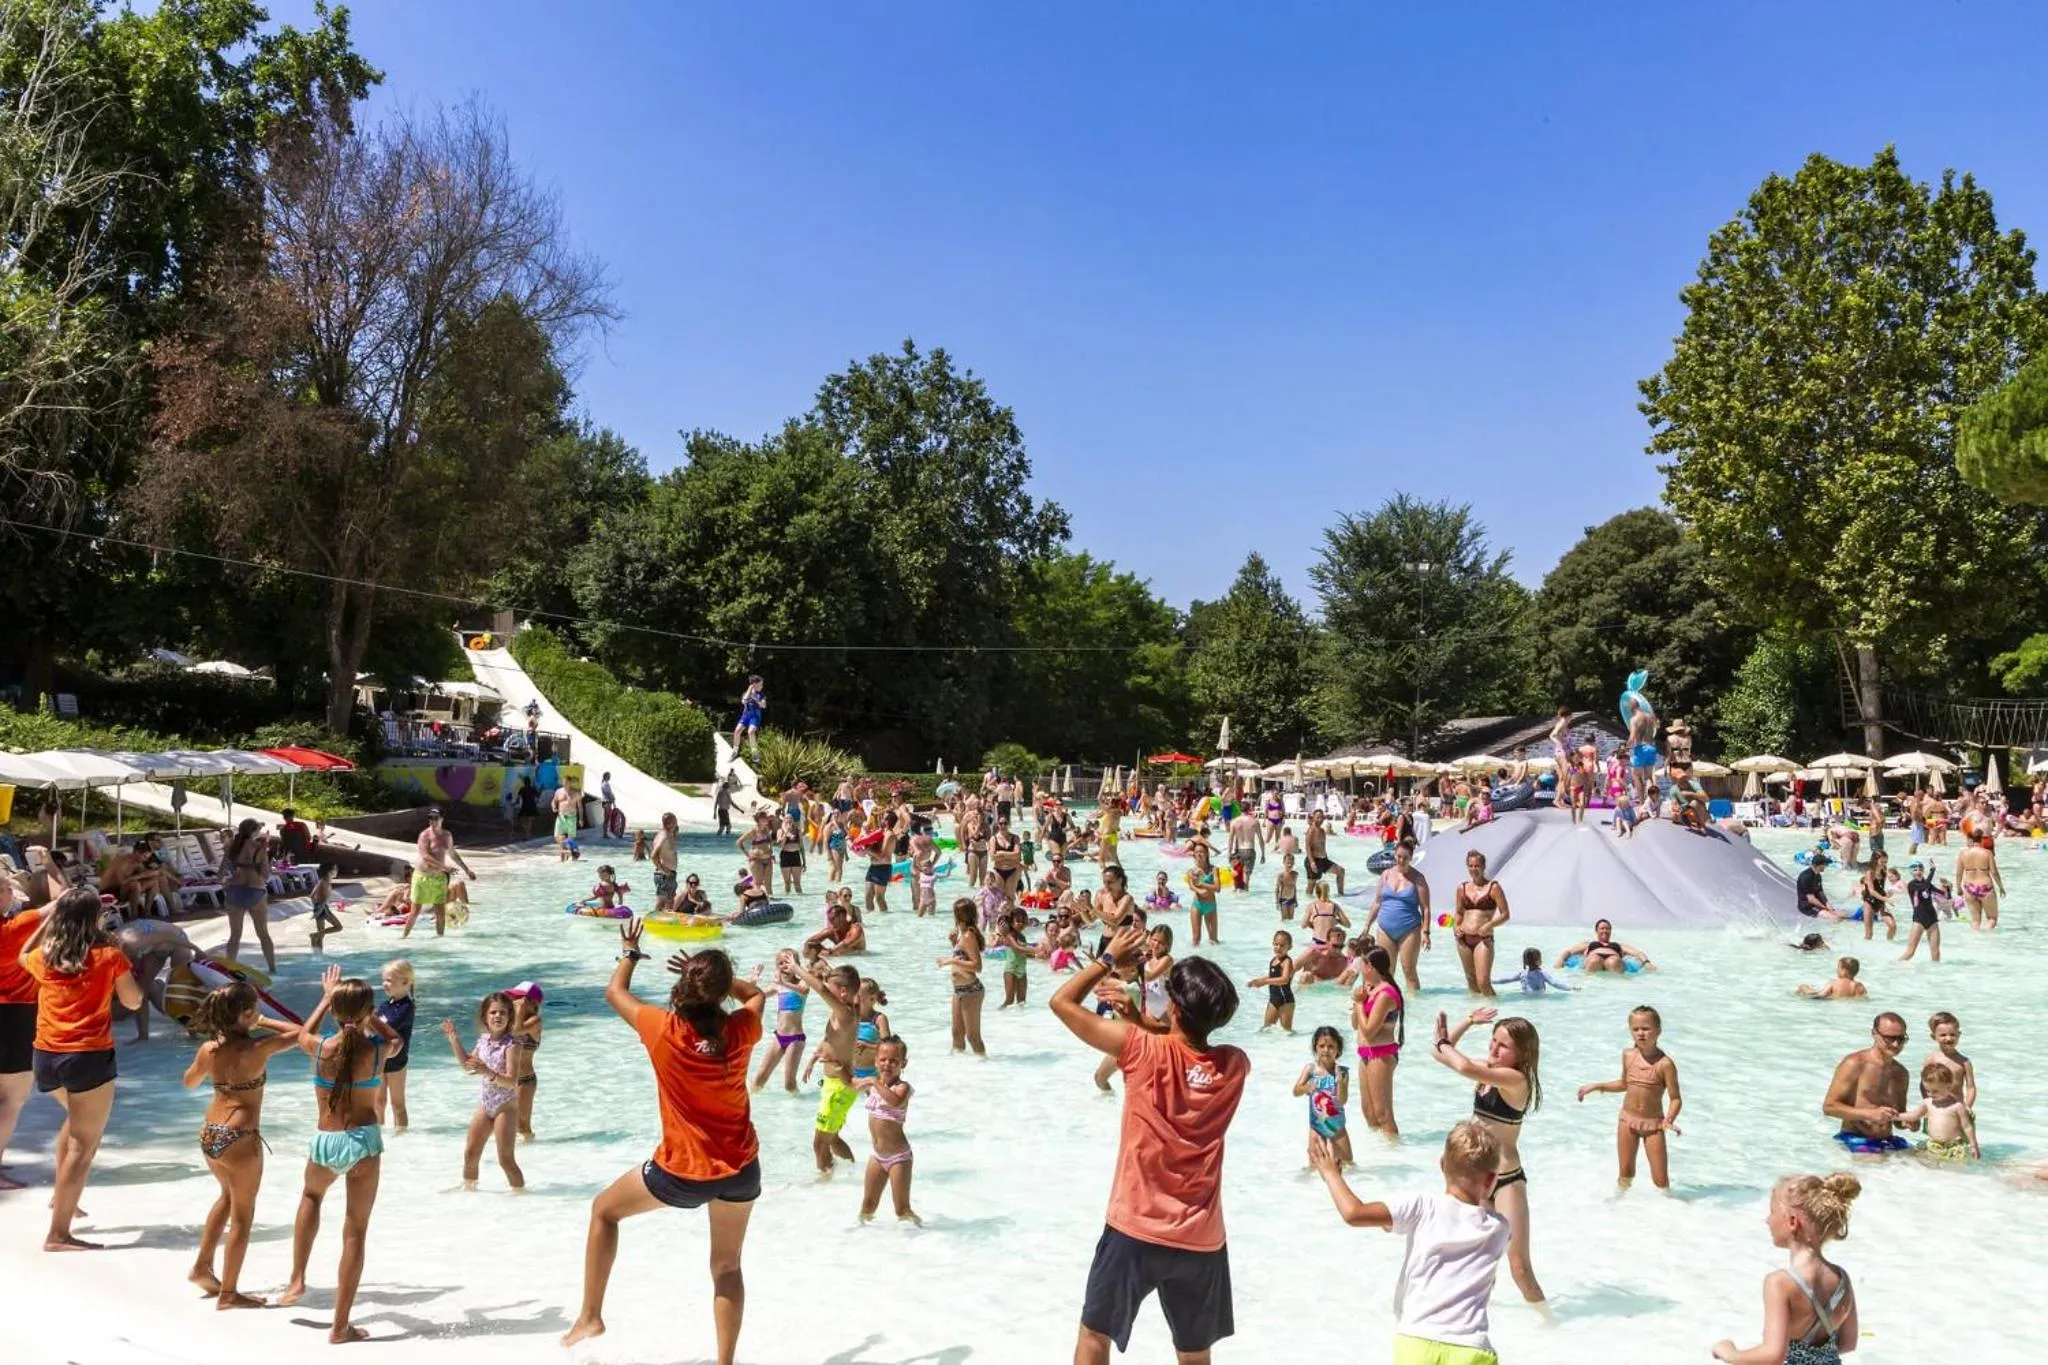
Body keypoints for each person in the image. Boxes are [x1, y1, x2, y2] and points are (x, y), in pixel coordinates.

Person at [561, 923, 765, 1361]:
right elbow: (756, 997)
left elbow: (614, 991)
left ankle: (590, 1316)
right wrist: (726, 985)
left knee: (604, 1211)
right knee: (727, 1268)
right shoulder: (742, 1029)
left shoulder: (661, 1027)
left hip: (684, 1171)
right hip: (742, 1170)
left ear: (683, 988)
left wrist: (630, 955)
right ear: (721, 992)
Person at [1050, 923, 1247, 1365]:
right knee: (1195, 1355)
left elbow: (1061, 1003)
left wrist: (1105, 959)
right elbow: (1184, 1051)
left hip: (1136, 1227)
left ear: (1173, 1008)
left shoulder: (1140, 1050)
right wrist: (1140, 1021)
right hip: (1201, 1237)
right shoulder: (1235, 1066)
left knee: (1094, 1338)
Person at [1307, 1122, 1510, 1365]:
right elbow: (1485, 1206)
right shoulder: (1499, 1228)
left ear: (1442, 1165)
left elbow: (1354, 1213)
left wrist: (1330, 1173)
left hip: (1416, 1341)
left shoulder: (1422, 1207)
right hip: (1470, 1348)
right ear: (1490, 1181)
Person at [19, 887, 144, 1248]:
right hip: (87, 1057)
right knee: (84, 1145)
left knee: (74, 1125)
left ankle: (63, 1198)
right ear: (95, 920)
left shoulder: (44, 958)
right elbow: (133, 1002)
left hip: (45, 1056)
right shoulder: (108, 956)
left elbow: (24, 953)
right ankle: (58, 1233)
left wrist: (49, 917)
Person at [278, 966, 395, 1343]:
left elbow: (301, 1035)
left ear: (333, 1011)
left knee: (311, 1197)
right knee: (355, 1233)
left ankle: (297, 1278)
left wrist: (326, 998)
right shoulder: (376, 1049)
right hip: (362, 1143)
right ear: (366, 1011)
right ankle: (340, 1326)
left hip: (326, 1140)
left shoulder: (320, 1049)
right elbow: (395, 1040)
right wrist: (369, 1017)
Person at [181, 981, 302, 1307]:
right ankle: (229, 1293)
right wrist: (263, 1022)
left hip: (210, 1133)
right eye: (255, 1010)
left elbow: (189, 1081)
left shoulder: (209, 1049)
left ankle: (203, 1266)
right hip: (240, 1137)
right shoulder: (257, 1049)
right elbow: (303, 1033)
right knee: (243, 1217)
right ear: (246, 1014)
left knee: (226, 1197)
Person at [1430, 1007, 1545, 1304]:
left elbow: (1463, 1066)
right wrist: (1464, 1022)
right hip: (1479, 1177)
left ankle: (1550, 1324)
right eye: (1493, 1040)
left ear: (1522, 1053)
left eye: (1503, 1045)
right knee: (1480, 1262)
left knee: (1519, 1266)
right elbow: (1441, 1054)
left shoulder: (1514, 1079)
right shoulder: (1489, 1071)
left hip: (1506, 1180)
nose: (1493, 1048)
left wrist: (1444, 1044)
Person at [1711, 1174, 1861, 1363]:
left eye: (1772, 1211)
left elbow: (1773, 1355)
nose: (1767, 1220)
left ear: (1792, 1221)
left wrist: (1730, 1353)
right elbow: (1848, 1343)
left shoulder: (1780, 1283)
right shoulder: (1841, 1279)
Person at [1576, 1005, 1682, 1190]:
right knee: (1625, 1173)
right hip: (1627, 1121)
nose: (1640, 1033)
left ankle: (1667, 1209)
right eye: (1636, 1029)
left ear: (1658, 1031)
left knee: (1660, 1181)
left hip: (1653, 1125)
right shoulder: (1628, 1055)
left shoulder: (1665, 1064)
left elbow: (1675, 1098)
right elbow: (1625, 1084)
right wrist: (1597, 1086)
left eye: (1646, 1028)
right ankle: (1620, 1205)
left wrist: (1668, 1120)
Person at [0, 879, 45, 1189]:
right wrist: (51, 867)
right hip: (14, 1015)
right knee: (12, 1100)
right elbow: (64, 901)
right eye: (6, 889)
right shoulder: (15, 927)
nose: (12, 893)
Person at [1822, 1012, 1912, 1154]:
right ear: (1874, 1034)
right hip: (1855, 1138)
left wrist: (1909, 1121)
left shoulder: (1901, 1073)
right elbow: (1829, 1107)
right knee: (1877, 1165)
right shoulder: (1855, 1064)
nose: (1896, 1044)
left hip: (1887, 1140)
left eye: (1901, 1039)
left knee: (1928, 1162)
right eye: (1890, 1038)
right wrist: (1869, 1114)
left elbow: (1899, 1118)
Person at [854, 1035, 918, 1224]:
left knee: (901, 1210)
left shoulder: (902, 1088)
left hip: (899, 1158)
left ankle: (922, 1235)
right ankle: (859, 1235)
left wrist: (874, 1082)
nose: (887, 1064)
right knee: (868, 1204)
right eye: (883, 1059)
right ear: (875, 1061)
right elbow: (850, 1084)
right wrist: (836, 1063)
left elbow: (895, 1102)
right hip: (877, 1156)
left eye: (894, 1061)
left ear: (903, 1064)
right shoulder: (874, 1084)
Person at [1363, 838, 1430, 993]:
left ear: (1411, 858)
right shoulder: (1386, 874)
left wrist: (1425, 932)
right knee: (1385, 971)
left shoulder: (1418, 879)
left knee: (1409, 970)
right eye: (1398, 856)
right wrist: (1367, 925)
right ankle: (1387, 1007)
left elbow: (1425, 908)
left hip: (1409, 929)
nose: (1401, 860)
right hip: (1385, 928)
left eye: (1405, 857)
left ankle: (1414, 1008)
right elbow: (1377, 902)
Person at [1352, 945, 1404, 1135]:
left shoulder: (1385, 994)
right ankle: (1379, 1154)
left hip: (1381, 1054)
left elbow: (1369, 1032)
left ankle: (1394, 1153)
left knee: (1383, 1114)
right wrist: (1358, 1000)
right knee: (1369, 1113)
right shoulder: (1371, 990)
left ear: (1371, 967)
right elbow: (1355, 1025)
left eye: (1362, 964)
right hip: (1366, 1054)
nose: (1359, 968)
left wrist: (1359, 1003)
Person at [404, 809, 477, 938]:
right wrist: (444, 867)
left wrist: (467, 870)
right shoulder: (424, 835)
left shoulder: (447, 835)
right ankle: (404, 936)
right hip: (422, 877)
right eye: (430, 818)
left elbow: (453, 854)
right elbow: (426, 856)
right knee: (415, 911)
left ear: (442, 819)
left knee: (440, 911)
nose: (432, 821)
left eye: (435, 818)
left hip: (438, 878)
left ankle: (440, 939)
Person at [219, 818, 277, 973]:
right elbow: (266, 874)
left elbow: (221, 873)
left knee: (234, 936)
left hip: (235, 891)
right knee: (263, 934)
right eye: (258, 829)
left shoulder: (231, 847)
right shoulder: (259, 848)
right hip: (255, 891)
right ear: (253, 831)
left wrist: (228, 881)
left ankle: (229, 969)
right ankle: (272, 969)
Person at [1451, 851, 1510, 997]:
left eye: (1477, 865)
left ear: (1484, 866)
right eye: (1470, 866)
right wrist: (1455, 927)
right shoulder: (1462, 888)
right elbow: (1458, 913)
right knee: (1471, 981)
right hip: (1463, 939)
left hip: (1483, 939)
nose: (1473, 869)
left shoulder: (1493, 887)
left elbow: (1505, 914)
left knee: (1483, 982)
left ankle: (1495, 1011)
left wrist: (1489, 925)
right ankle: (1476, 1012)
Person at [1294, 1026, 1353, 1165]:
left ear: (1338, 1050)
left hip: (1337, 1127)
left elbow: (1342, 1101)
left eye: (1331, 1046)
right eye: (1322, 1046)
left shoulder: (1342, 1072)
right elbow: (1295, 1091)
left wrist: (1341, 1084)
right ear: (1316, 1048)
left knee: (1348, 1165)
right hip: (1316, 1127)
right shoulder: (1311, 1070)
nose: (1326, 1050)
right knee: (1315, 1167)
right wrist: (1307, 1087)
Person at [1898, 1062, 1978, 1161]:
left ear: (1948, 1087)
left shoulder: (1957, 1106)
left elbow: (1967, 1127)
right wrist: (1895, 1116)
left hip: (1952, 1148)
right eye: (1927, 1091)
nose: (1930, 1094)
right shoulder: (1928, 1103)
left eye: (1935, 1091)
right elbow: (1914, 1115)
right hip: (1932, 1145)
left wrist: (1973, 1145)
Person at [940, 898, 987, 1055]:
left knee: (973, 1037)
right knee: (957, 1035)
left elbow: (977, 966)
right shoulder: (962, 936)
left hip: (970, 989)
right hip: (959, 989)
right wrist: (954, 944)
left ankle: (985, 1066)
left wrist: (951, 960)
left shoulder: (968, 935)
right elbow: (964, 959)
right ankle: (959, 1070)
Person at [375, 960, 416, 1130]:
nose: (385, 984)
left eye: (389, 980)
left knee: (398, 1104)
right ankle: (378, 1134)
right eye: (384, 979)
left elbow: (388, 1026)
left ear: (405, 982)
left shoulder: (407, 1007)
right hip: (379, 1058)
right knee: (378, 1101)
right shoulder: (385, 1005)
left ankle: (402, 1139)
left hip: (396, 1061)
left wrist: (370, 1020)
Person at [1921, 1011, 1977, 1110]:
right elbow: (1923, 1084)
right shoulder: (1931, 1059)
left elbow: (1971, 1087)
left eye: (1952, 1034)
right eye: (1943, 1035)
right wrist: (1927, 1105)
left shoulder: (1964, 1062)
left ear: (1959, 1035)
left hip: (1957, 1108)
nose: (1948, 1038)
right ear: (1933, 1037)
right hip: (1935, 1109)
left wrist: (1967, 1106)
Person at [1555, 919, 1655, 974]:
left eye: (1608, 929)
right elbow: (1569, 951)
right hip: (1593, 960)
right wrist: (1561, 959)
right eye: (1602, 928)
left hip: (1614, 960)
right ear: (1596, 931)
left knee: (1613, 961)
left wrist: (1647, 962)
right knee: (1595, 960)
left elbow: (1637, 953)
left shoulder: (1618, 945)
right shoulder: (1588, 944)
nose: (1605, 931)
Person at [1247, 930, 1296, 1033]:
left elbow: (1284, 979)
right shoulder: (1273, 960)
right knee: (1265, 1030)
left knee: (1286, 1032)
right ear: (1272, 944)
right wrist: (1259, 981)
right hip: (1273, 1000)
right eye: (1276, 944)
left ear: (1289, 947)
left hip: (1286, 1002)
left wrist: (1265, 982)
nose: (1278, 947)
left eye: (1282, 945)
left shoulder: (1287, 961)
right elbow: (1273, 976)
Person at [1954, 834, 2003, 930]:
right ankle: (1987, 941)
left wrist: (1958, 887)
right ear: (1981, 840)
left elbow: (1958, 873)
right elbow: (1994, 872)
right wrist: (2001, 887)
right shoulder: (1987, 853)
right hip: (1985, 887)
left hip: (1969, 888)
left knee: (1975, 920)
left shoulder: (1963, 854)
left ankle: (1975, 941)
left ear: (1970, 840)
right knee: (1992, 919)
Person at [1898, 858, 1943, 962]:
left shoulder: (1928, 884)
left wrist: (1947, 890)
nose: (1918, 871)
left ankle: (1937, 975)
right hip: (1919, 920)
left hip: (1932, 919)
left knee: (1936, 953)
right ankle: (1895, 968)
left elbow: (1941, 894)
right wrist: (1932, 871)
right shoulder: (1912, 885)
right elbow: (1924, 886)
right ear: (1911, 873)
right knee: (1910, 952)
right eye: (1915, 870)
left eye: (1920, 869)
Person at [1494, 946, 1575, 993]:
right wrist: (1570, 988)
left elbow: (1505, 979)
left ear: (1525, 961)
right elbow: (1555, 983)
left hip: (1525, 997)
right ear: (1538, 961)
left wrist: (1490, 981)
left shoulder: (1522, 974)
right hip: (1540, 998)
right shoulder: (1542, 974)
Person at [1856, 851, 1897, 941]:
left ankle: (1889, 945)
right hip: (1870, 902)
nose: (1884, 864)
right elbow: (1871, 891)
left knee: (1892, 926)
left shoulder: (1884, 870)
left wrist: (1888, 894)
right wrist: (1886, 899)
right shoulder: (1870, 872)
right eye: (1882, 862)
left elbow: (1880, 887)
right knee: (1869, 934)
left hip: (1881, 901)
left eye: (1886, 862)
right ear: (1875, 860)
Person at [1185, 842, 1221, 946]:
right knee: (1196, 939)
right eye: (1196, 852)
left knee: (1214, 940)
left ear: (1207, 854)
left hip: (1210, 905)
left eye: (1201, 852)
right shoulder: (1191, 871)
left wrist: (1202, 884)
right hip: (1197, 905)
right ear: (1194, 855)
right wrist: (1200, 890)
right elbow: (1191, 886)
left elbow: (1218, 888)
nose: (1199, 854)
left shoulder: (1214, 870)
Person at [1305, 809, 1346, 896]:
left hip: (1323, 860)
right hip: (1313, 860)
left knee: (1341, 871)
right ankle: (1306, 903)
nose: (1320, 819)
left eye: (1321, 817)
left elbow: (1322, 847)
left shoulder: (1322, 831)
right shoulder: (1311, 830)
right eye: (1318, 817)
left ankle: (1341, 895)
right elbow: (1308, 847)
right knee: (1311, 886)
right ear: (1314, 818)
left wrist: (1326, 859)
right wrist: (1312, 862)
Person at [731, 674, 766, 760]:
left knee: (750, 732)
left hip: (755, 716)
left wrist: (757, 700)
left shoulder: (761, 695)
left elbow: (764, 705)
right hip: (746, 715)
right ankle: (735, 751)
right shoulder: (746, 693)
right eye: (760, 684)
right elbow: (744, 701)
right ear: (755, 684)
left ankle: (754, 753)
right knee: (737, 731)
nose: (762, 686)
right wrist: (750, 689)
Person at [553, 778, 583, 861]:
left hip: (571, 817)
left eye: (567, 782)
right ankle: (568, 854)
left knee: (570, 840)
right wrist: (553, 807)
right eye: (564, 782)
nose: (566, 784)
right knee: (557, 837)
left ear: (570, 783)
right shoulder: (558, 791)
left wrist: (581, 819)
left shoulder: (576, 793)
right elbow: (554, 801)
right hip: (561, 817)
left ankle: (569, 857)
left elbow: (580, 807)